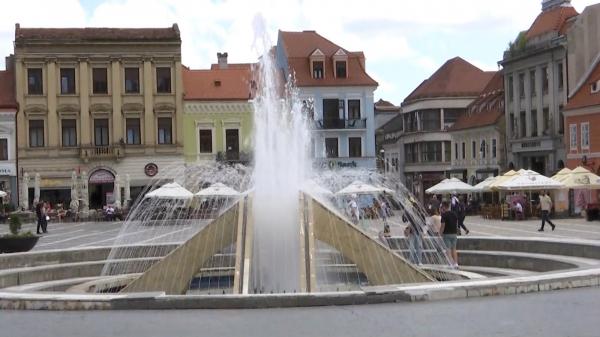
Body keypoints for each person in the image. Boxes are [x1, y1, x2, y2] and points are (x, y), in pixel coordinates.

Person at [440, 201, 459, 268]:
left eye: (442, 207)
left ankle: (450, 264)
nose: (442, 209)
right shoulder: (454, 214)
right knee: (454, 249)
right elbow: (456, 224)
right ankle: (456, 263)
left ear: (444, 207)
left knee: (448, 249)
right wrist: (456, 231)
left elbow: (443, 226)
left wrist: (440, 233)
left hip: (447, 234)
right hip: (454, 234)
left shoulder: (444, 215)